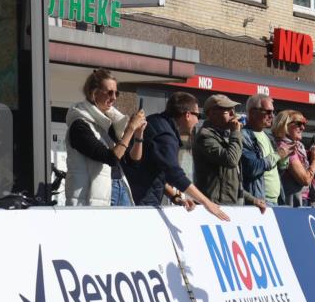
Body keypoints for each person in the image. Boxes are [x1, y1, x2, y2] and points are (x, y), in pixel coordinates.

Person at [125, 91, 229, 220]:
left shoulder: (156, 122)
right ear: (187, 115)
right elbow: (174, 174)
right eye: (198, 115)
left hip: (137, 197)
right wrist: (207, 203)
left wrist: (174, 196)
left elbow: (156, 170)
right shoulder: (166, 135)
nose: (198, 121)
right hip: (141, 201)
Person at [65, 68, 146, 207]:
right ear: (94, 93)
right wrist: (130, 128)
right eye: (109, 92)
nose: (114, 97)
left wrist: (138, 134)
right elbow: (111, 158)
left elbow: (133, 162)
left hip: (119, 186)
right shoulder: (79, 125)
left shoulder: (111, 122)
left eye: (116, 93)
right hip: (98, 194)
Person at [194, 94, 266, 211]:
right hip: (213, 205)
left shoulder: (227, 136)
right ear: (212, 113)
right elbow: (231, 160)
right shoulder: (205, 136)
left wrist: (253, 200)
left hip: (230, 204)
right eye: (227, 110)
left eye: (233, 110)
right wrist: (236, 133)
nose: (233, 114)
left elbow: (233, 178)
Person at [274, 110, 315, 207]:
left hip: (303, 199)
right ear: (285, 124)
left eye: (304, 124)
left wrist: (313, 158)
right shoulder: (285, 147)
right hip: (292, 202)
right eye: (299, 124)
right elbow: (305, 180)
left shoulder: (298, 146)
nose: (303, 127)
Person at [241, 93, 289, 205]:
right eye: (267, 112)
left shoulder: (267, 137)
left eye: (273, 112)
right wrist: (277, 155)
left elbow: (274, 170)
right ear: (252, 113)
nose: (272, 115)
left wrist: (284, 159)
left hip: (276, 201)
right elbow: (252, 168)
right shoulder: (243, 136)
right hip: (259, 202)